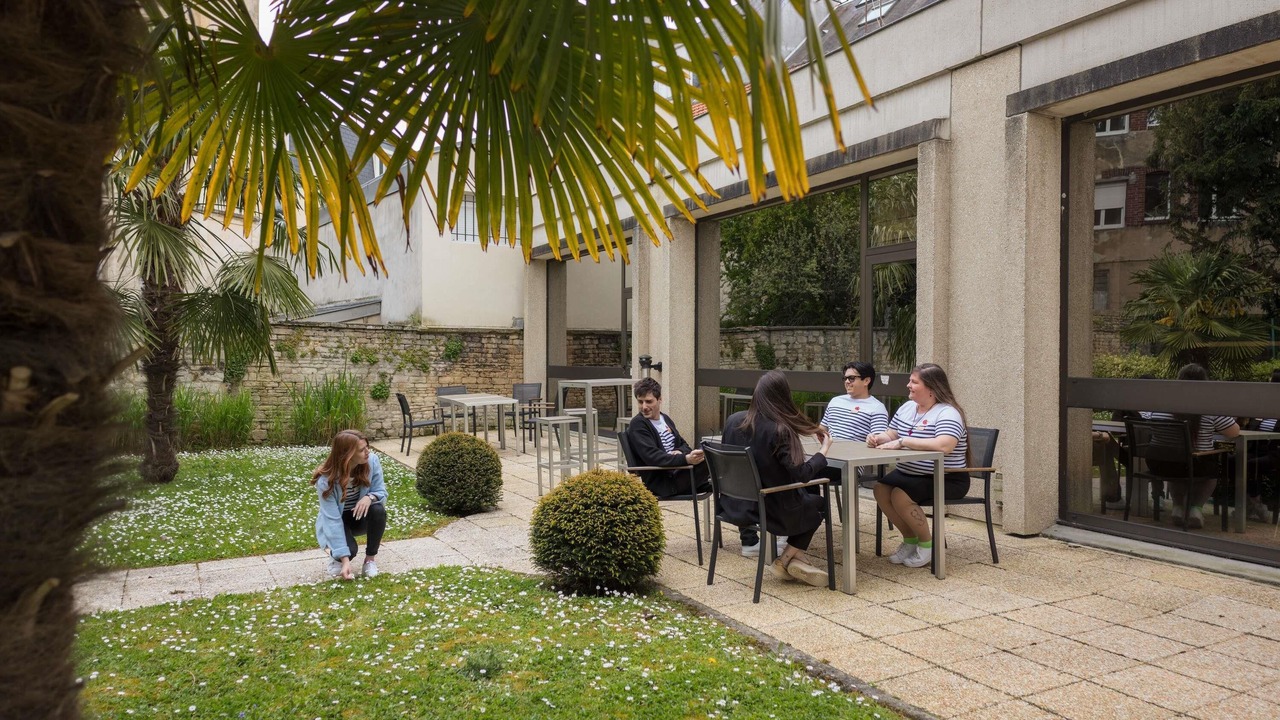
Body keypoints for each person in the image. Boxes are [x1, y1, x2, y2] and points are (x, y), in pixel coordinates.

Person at [721, 370, 833, 587]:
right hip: (772, 508)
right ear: (784, 395)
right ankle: (786, 557)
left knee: (807, 495)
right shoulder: (779, 430)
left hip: (737, 505)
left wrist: (811, 428)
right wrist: (823, 451)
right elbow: (803, 474)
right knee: (819, 502)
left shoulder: (733, 421)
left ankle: (796, 559)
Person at [867, 363, 970, 569]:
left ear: (931, 388)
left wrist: (904, 442)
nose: (908, 385)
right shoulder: (907, 408)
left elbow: (945, 445)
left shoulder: (948, 413)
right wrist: (878, 438)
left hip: (946, 477)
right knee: (880, 489)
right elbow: (892, 433)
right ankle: (910, 540)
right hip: (910, 473)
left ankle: (926, 544)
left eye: (914, 382)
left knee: (900, 495)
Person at [1140, 363, 1240, 529]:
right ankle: (1195, 508)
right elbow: (1234, 432)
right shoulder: (1209, 407)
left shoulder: (1162, 404)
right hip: (1193, 465)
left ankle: (1178, 507)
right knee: (1210, 468)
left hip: (1158, 464)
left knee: (1177, 461)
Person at [312, 430, 387, 580]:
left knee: (378, 510)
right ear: (348, 454)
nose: (367, 451)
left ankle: (369, 561)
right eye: (362, 450)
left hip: (360, 516)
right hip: (339, 520)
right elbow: (332, 520)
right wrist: (345, 560)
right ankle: (336, 557)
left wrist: (369, 497)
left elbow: (381, 491)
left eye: (367, 447)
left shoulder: (371, 461)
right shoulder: (326, 481)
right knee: (350, 551)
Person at [821, 361, 889, 442]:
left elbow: (878, 440)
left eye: (851, 378)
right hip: (828, 448)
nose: (847, 381)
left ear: (866, 381)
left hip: (855, 449)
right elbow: (822, 429)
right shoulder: (835, 401)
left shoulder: (877, 408)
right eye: (845, 378)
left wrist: (873, 440)